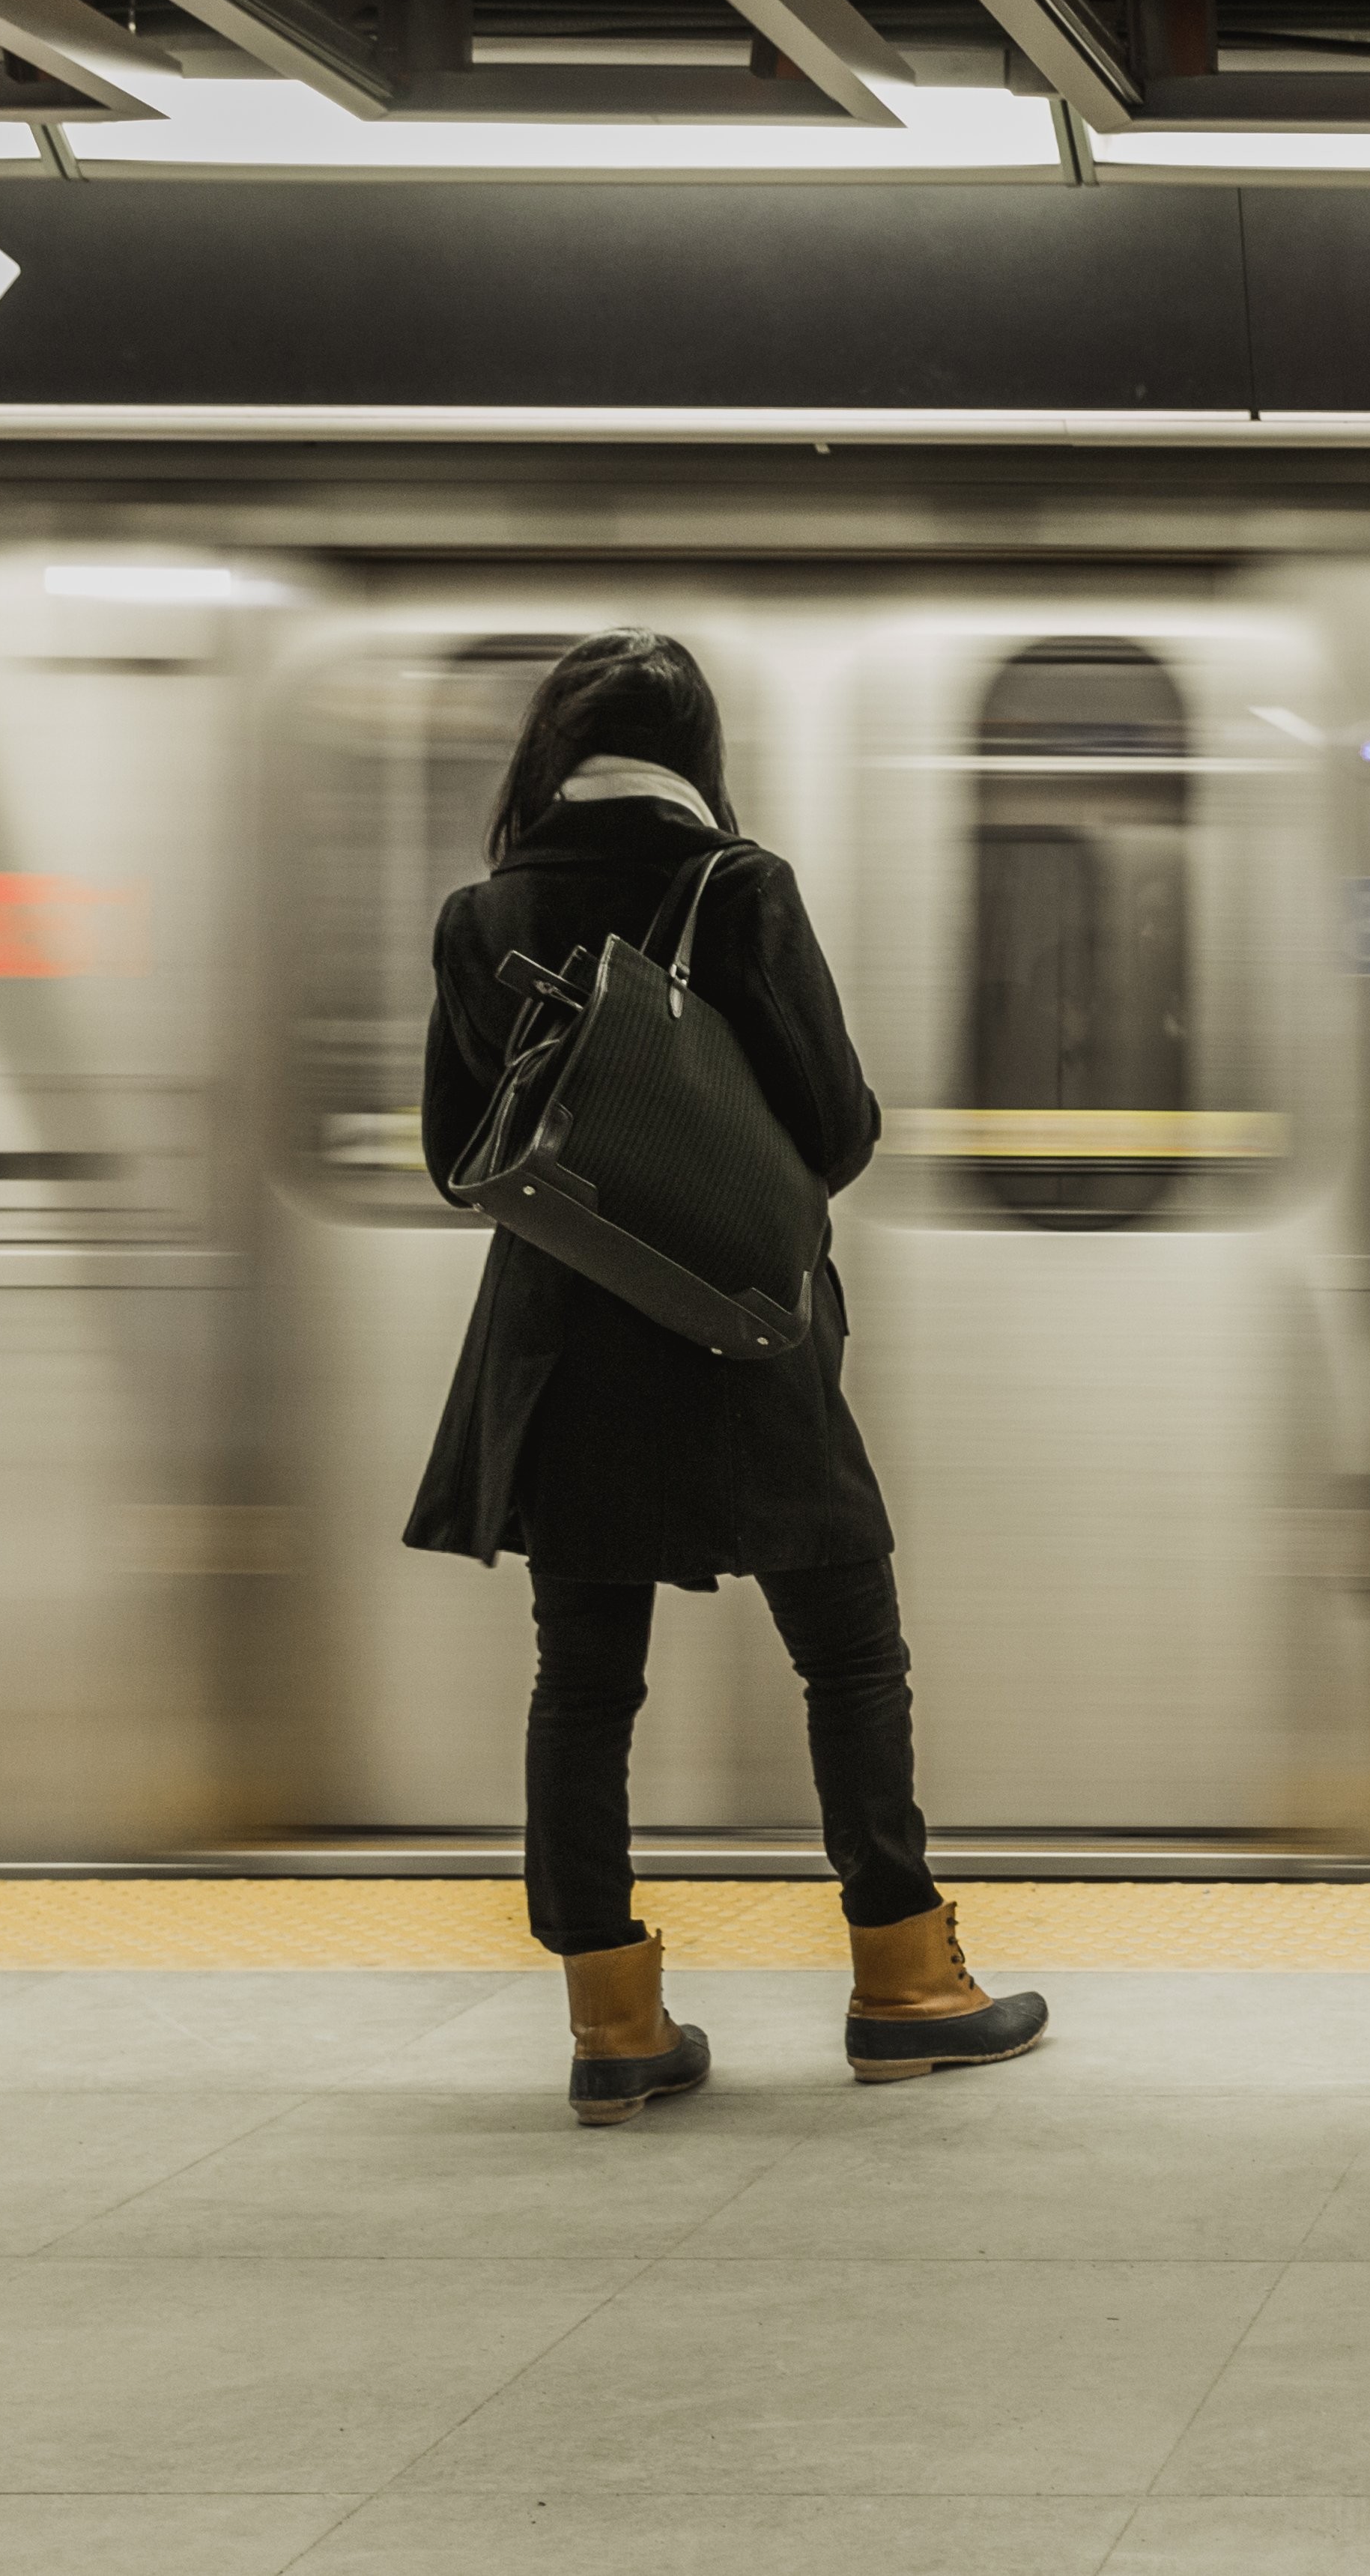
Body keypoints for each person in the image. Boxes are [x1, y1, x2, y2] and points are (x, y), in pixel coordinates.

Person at [406, 627, 1047, 2126]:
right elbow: (833, 1131)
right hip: (735, 1335)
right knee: (851, 1650)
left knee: (582, 1683)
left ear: (550, 753)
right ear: (694, 752)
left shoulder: (475, 913)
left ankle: (610, 2023)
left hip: (561, 1346)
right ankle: (905, 1984)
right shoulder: (733, 886)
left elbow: (457, 1161)